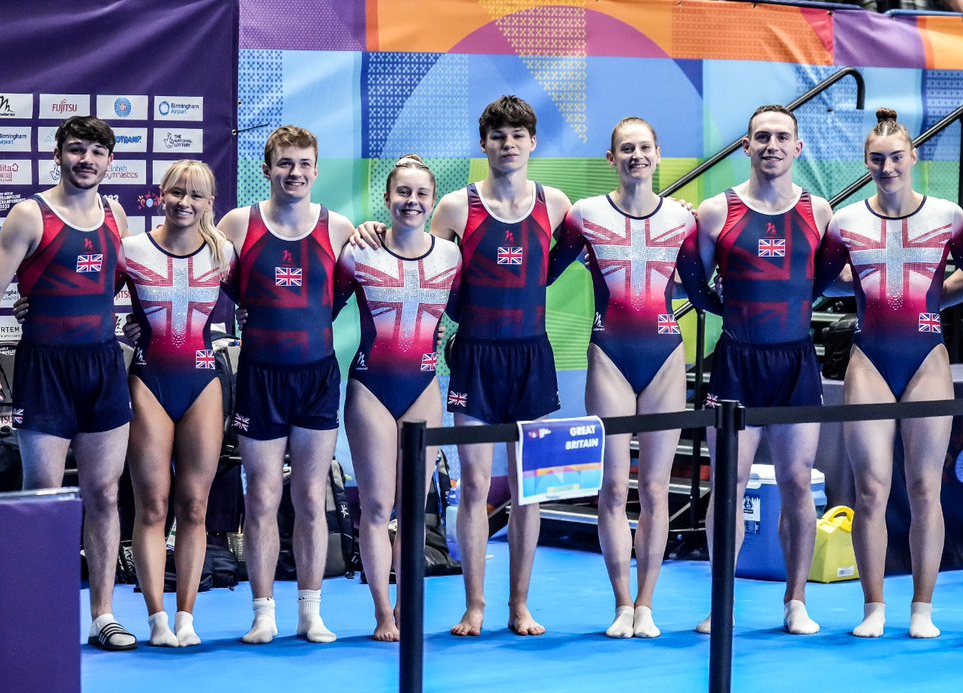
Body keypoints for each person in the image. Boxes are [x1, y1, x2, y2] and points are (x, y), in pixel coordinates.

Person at [354, 96, 573, 636]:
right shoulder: (455, 207)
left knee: (530, 490)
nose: (509, 143)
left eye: (518, 134)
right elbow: (427, 263)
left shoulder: (558, 203)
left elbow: (558, 262)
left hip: (532, 357)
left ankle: (518, 605)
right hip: (474, 356)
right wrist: (369, 231)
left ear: (533, 142)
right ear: (485, 144)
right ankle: (475, 606)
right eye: (498, 135)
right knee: (474, 486)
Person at [0, 116, 136, 651]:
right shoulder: (29, 215)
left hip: (103, 366)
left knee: (105, 494)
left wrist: (141, 318)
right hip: (45, 369)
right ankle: (38, 609)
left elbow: (129, 279)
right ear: (58, 155)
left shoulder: (115, 213)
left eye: (97, 152)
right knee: (43, 498)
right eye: (76, 149)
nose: (86, 160)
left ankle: (103, 614)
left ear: (110, 162)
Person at [817, 108, 963, 639]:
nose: (887, 168)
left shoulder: (948, 217)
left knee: (926, 487)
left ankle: (922, 608)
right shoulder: (845, 222)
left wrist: (936, 304)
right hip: (870, 359)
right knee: (870, 490)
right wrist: (865, 294)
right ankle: (874, 604)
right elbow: (824, 280)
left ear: (913, 157)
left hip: (926, 355)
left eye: (896, 158)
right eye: (877, 160)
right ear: (866, 162)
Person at [545, 117, 701, 638]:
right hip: (608, 354)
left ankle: (648, 604)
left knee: (656, 488)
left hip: (664, 355)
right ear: (611, 159)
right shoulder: (585, 215)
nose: (636, 156)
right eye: (625, 148)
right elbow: (536, 273)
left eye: (644, 147)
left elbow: (702, 293)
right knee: (613, 487)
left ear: (659, 154)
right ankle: (620, 605)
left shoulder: (684, 221)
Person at [685, 105, 834, 636]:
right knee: (731, 482)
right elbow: (693, 286)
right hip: (736, 361)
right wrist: (738, 314)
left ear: (797, 149)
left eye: (782, 137)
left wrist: (786, 308)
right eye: (761, 136)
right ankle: (720, 600)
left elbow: (825, 279)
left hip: (795, 360)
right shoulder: (713, 212)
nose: (772, 144)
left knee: (797, 481)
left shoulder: (819, 211)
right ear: (746, 147)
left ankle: (796, 601)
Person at [218, 125, 354, 644]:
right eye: (284, 163)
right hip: (260, 376)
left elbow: (348, 291)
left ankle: (311, 611)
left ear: (316, 170)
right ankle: (263, 610)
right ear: (266, 168)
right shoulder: (237, 224)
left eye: (303, 164)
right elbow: (205, 279)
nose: (294, 173)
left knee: (311, 494)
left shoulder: (340, 228)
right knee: (262, 498)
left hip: (316, 377)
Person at [336, 155, 461, 641]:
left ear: (432, 201)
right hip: (370, 387)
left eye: (420, 194)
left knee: (413, 506)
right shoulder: (358, 252)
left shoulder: (451, 257)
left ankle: (408, 606)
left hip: (423, 387)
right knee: (376, 504)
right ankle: (382, 612)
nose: (411, 202)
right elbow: (315, 305)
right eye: (402, 193)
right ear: (388, 199)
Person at [122, 160, 235, 646]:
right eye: (177, 193)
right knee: (152, 505)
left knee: (194, 504)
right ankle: (156, 618)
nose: (185, 203)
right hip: (149, 380)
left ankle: (186, 616)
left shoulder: (224, 252)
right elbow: (84, 297)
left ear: (211, 203)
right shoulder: (131, 249)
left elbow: (281, 292)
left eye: (197, 195)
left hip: (202, 381)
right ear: (161, 195)